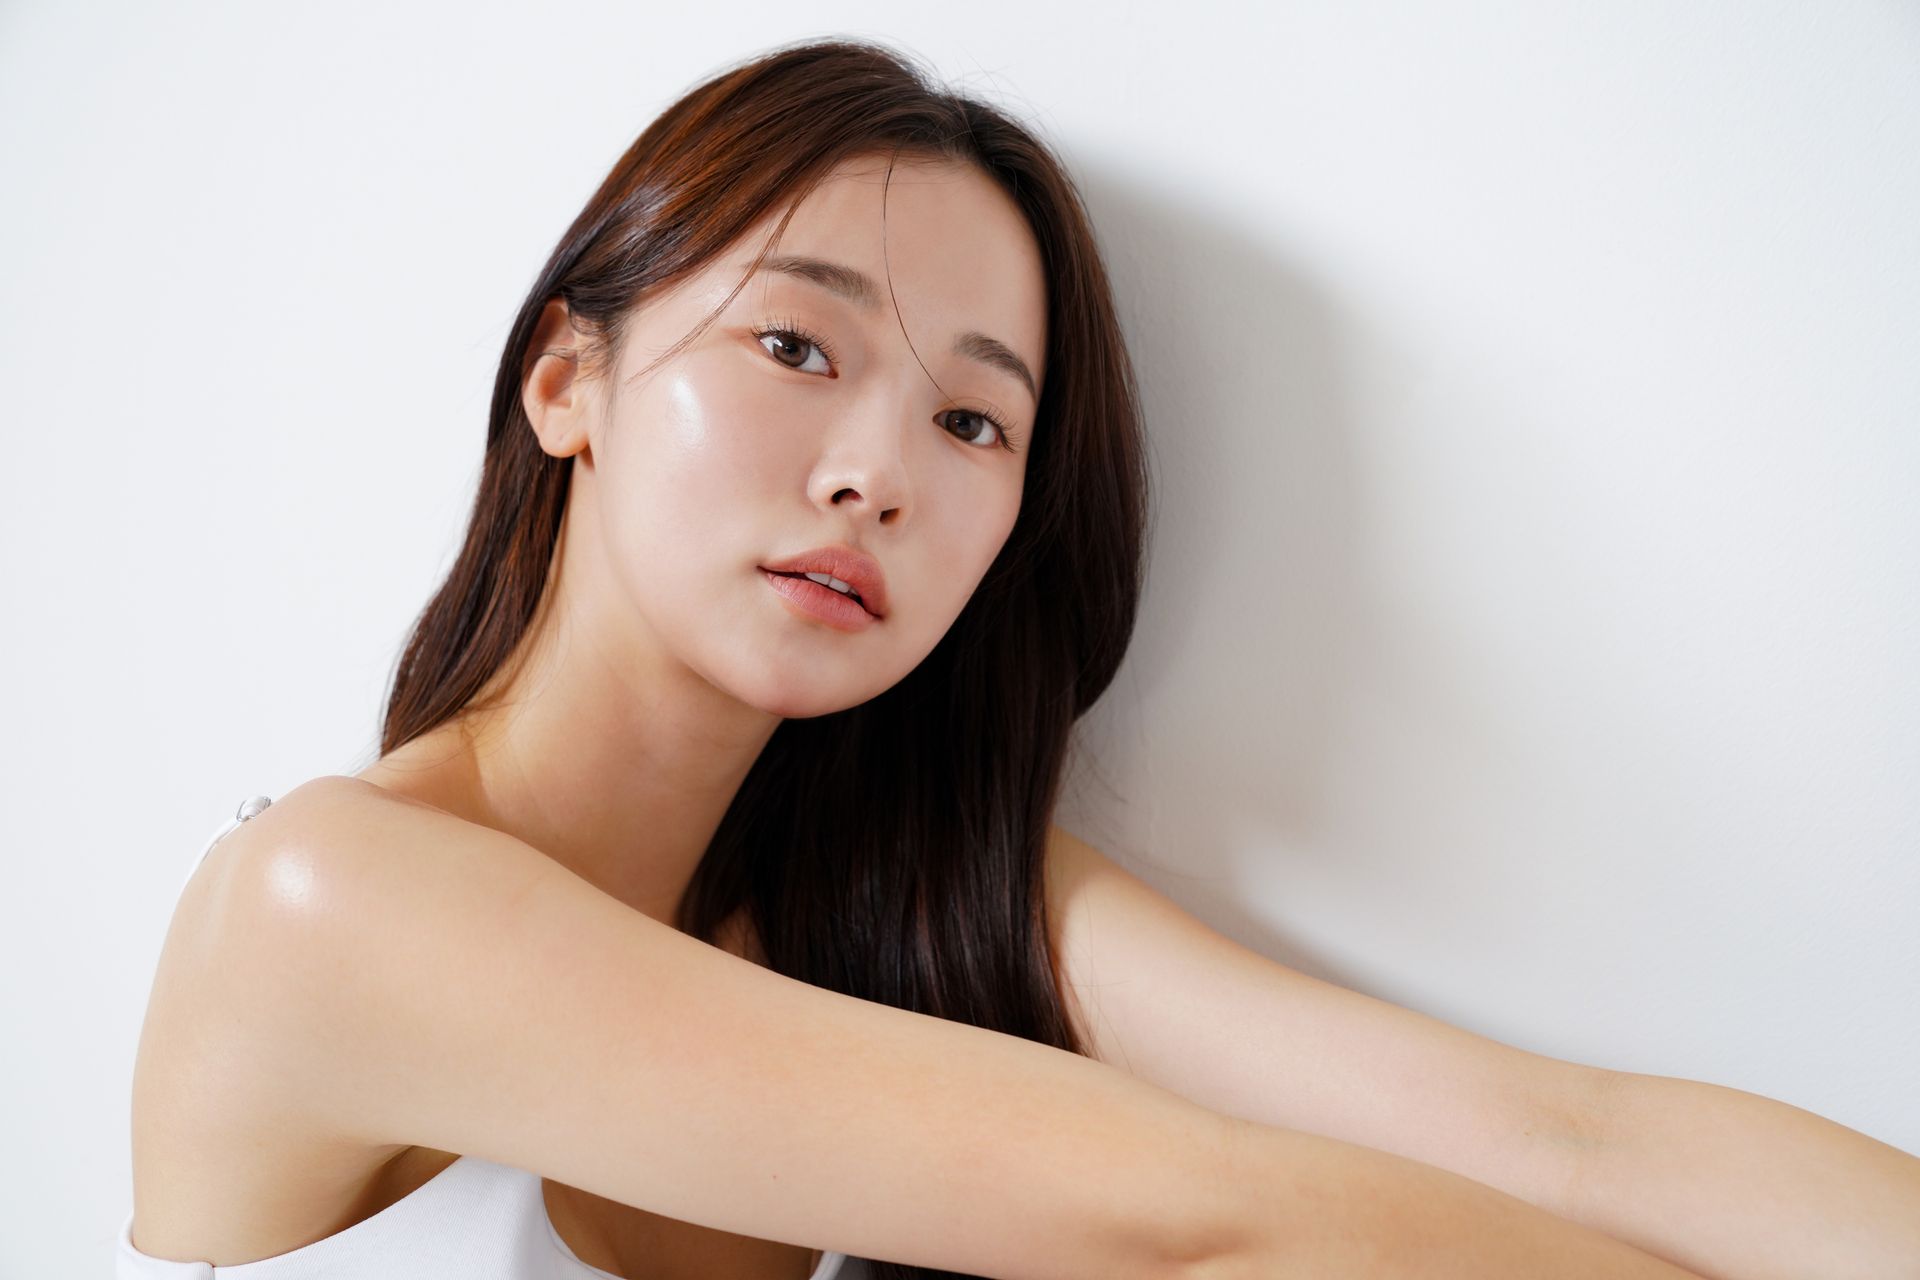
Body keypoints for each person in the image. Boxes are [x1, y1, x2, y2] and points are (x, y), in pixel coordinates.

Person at [124, 35, 1893, 1280]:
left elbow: (1559, 1142)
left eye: (975, 420)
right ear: (568, 381)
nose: (876, 475)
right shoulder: (326, 905)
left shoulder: (917, 896)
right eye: (799, 348)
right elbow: (1208, 1221)